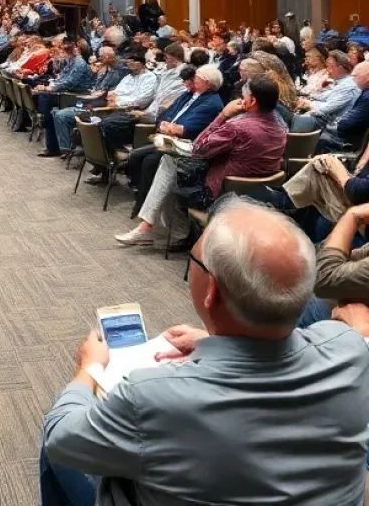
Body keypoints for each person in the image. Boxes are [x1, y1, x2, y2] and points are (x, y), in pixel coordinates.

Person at [41, 197, 369, 506]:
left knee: (57, 441)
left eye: (196, 258)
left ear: (212, 290)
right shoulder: (350, 351)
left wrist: (89, 368)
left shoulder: (150, 396)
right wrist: (213, 341)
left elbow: (61, 437)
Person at [116, 75, 288, 248]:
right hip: (262, 193)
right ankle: (158, 228)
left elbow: (199, 146)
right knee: (170, 164)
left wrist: (223, 115)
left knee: (169, 161)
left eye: (243, 98)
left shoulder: (237, 127)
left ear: (251, 101)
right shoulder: (281, 127)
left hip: (221, 194)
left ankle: (156, 228)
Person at [125, 64, 225, 217]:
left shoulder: (212, 102)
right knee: (136, 155)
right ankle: (139, 192)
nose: (194, 79)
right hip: (166, 136)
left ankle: (142, 204)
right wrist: (164, 124)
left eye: (198, 77)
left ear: (209, 84)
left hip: (184, 144)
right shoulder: (188, 94)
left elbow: (190, 127)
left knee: (149, 161)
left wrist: (173, 128)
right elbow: (167, 113)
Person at [35, 40, 94, 155]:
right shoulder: (71, 61)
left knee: (47, 101)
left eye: (65, 50)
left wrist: (51, 89)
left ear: (76, 50)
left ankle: (54, 146)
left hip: (78, 98)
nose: (63, 52)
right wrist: (49, 86)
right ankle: (51, 141)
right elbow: (62, 78)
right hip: (66, 95)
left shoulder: (80, 63)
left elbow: (70, 83)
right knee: (43, 98)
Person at [291, 50, 359, 133]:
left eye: (330, 67)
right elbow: (323, 96)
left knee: (291, 121)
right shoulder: (342, 82)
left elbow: (325, 109)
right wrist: (308, 98)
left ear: (340, 67)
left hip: (330, 127)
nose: (327, 70)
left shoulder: (348, 86)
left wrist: (308, 104)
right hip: (324, 120)